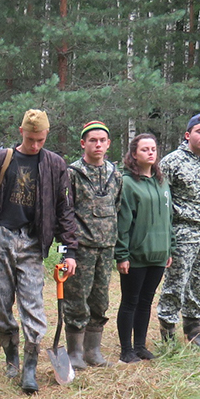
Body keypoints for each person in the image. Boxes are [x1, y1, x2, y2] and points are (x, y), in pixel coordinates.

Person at [0, 109, 80, 394]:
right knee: (0, 304)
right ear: (21, 132)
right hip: (1, 237)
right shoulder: (1, 159)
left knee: (33, 305)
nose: (35, 145)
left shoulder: (55, 164)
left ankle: (30, 366)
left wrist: (69, 250)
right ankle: (11, 355)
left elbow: (64, 210)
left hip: (33, 242)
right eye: (31, 138)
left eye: (41, 139)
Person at [156, 113, 200, 350]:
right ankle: (168, 335)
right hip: (182, 232)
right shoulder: (171, 162)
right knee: (175, 285)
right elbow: (161, 200)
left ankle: (194, 334)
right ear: (188, 134)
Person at [63, 121, 123, 369]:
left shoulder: (115, 174)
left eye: (102, 140)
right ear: (83, 143)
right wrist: (69, 249)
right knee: (77, 299)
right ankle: (75, 353)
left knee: (100, 300)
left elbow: (116, 207)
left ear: (108, 144)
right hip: (82, 248)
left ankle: (93, 351)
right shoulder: (72, 174)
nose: (97, 144)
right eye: (92, 140)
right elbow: (66, 212)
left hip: (105, 247)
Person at [114, 133, 171, 363]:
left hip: (159, 253)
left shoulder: (162, 181)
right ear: (134, 154)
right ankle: (126, 350)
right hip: (136, 254)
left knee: (147, 301)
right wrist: (122, 254)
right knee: (130, 301)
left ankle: (140, 346)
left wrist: (170, 248)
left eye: (153, 149)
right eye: (145, 149)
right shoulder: (127, 183)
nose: (150, 152)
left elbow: (169, 217)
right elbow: (123, 221)